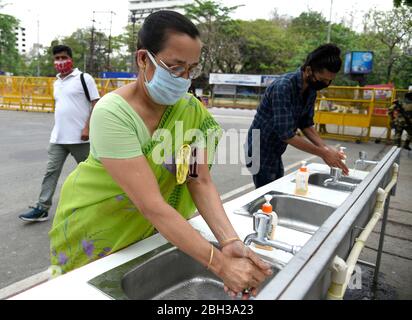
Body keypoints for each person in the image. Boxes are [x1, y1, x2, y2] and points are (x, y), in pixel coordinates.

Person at [48, 11, 271, 298]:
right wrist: (221, 265)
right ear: (143, 59)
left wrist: (228, 241)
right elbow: (152, 204)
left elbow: (197, 180)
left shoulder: (190, 110)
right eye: (175, 67)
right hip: (98, 228)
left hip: (151, 232)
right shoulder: (112, 113)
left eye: (191, 69)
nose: (184, 79)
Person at [246, 44, 349, 189]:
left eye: (329, 81)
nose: (325, 84)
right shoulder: (283, 87)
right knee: (267, 193)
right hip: (260, 148)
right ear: (308, 70)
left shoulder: (311, 89)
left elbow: (305, 123)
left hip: (275, 149)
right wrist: (323, 153)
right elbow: (286, 134)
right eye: (322, 80)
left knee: (276, 186)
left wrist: (326, 148)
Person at [19, 45, 100, 222]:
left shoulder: (83, 78)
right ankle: (42, 207)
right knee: (51, 172)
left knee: (90, 173)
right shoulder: (57, 82)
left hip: (81, 138)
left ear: (71, 59)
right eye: (57, 59)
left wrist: (87, 128)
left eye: (64, 57)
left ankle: (96, 204)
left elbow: (96, 103)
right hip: (58, 138)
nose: (60, 62)